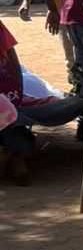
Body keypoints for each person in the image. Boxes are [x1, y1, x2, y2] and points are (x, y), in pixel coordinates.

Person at [0, 18, 32, 185]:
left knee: (8, 112)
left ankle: (16, 154)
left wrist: (18, 84)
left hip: (5, 87)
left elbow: (11, 54)